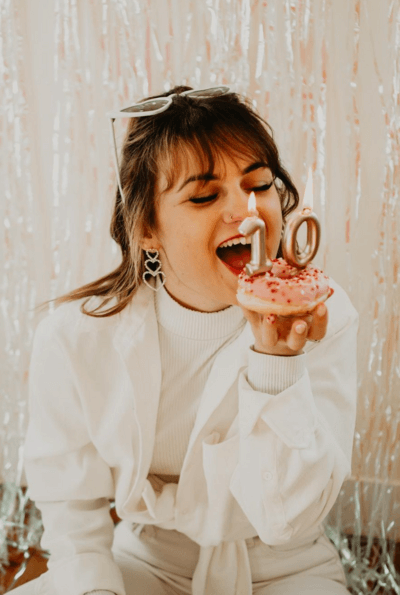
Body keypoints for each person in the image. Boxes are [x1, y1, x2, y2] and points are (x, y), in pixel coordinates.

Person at [12, 86, 358, 595]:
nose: (248, 213)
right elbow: (72, 510)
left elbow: (288, 518)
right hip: (148, 561)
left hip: (287, 567)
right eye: (203, 195)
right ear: (147, 227)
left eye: (259, 185)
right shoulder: (74, 337)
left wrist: (276, 368)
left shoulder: (320, 314)